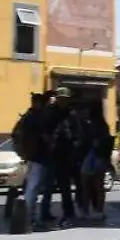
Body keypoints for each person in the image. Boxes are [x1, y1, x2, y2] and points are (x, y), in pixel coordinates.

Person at [41, 87, 82, 229]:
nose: (62, 101)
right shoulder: (51, 113)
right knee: (54, 187)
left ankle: (71, 213)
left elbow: (78, 134)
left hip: (69, 154)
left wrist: (74, 147)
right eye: (60, 99)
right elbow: (45, 131)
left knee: (71, 186)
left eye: (65, 99)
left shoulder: (72, 114)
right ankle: (52, 213)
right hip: (54, 154)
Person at [14, 92, 53, 221]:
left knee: (33, 187)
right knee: (33, 187)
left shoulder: (29, 116)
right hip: (37, 156)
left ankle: (30, 215)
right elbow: (43, 136)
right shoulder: (35, 117)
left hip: (33, 156)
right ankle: (28, 216)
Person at [79, 105, 114, 223]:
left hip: (90, 157)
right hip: (100, 157)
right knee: (98, 186)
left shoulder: (88, 126)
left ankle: (86, 210)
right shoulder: (103, 126)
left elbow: (83, 142)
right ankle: (98, 210)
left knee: (86, 186)